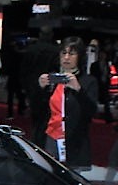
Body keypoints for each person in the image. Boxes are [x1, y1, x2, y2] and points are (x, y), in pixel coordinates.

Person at [35, 36, 98, 169]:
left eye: (72, 53)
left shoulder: (88, 81)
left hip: (74, 142)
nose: (67, 57)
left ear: (79, 56)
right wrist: (40, 89)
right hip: (51, 139)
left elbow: (91, 112)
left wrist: (78, 90)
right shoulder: (52, 81)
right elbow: (38, 112)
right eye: (64, 53)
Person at [21, 28, 60, 148]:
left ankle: (35, 146)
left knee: (36, 121)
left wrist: (25, 89)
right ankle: (41, 147)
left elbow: (24, 71)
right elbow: (57, 72)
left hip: (33, 89)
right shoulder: (55, 51)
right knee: (46, 121)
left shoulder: (31, 49)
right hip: (49, 90)